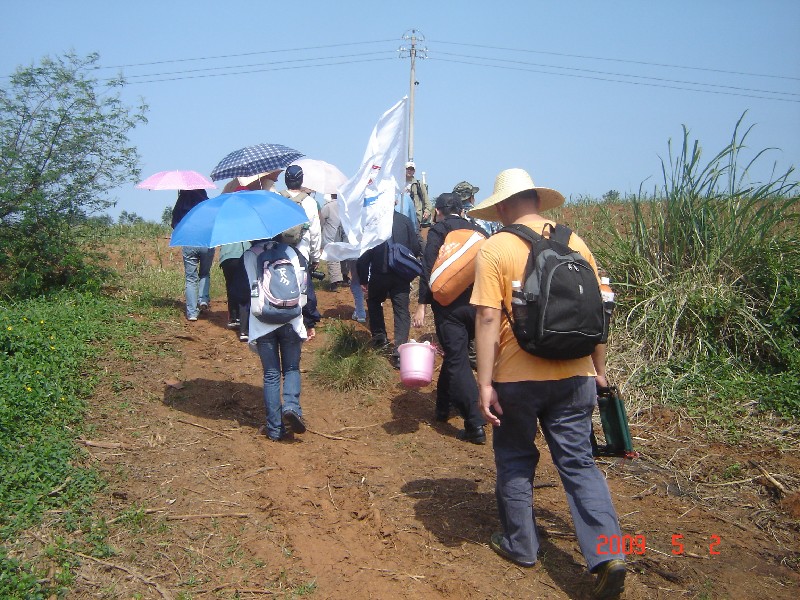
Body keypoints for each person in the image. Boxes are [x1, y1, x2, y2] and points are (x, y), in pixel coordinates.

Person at [469, 168, 626, 599]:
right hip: (575, 375)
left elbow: (485, 318)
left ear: (502, 207)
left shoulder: (495, 247)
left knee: (517, 458)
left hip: (517, 379)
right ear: (537, 200)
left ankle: (522, 545)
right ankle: (609, 553)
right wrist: (599, 371)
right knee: (579, 464)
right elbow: (598, 315)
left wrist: (485, 383)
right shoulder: (575, 242)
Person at [412, 193, 487, 444]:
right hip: (478, 302)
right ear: (461, 209)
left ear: (438, 211)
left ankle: (475, 423)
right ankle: (443, 407)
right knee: (457, 354)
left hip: (449, 306)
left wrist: (422, 305)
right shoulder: (478, 230)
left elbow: (429, 268)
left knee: (457, 358)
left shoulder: (439, 230)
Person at [244, 237, 319, 441]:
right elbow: (306, 287)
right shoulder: (292, 252)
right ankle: (292, 407)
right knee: (292, 369)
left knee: (271, 374)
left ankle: (275, 429)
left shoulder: (250, 255)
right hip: (291, 319)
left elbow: (244, 292)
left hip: (262, 323)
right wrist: (310, 321)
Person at [357, 209, 421, 366]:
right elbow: (415, 246)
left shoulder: (373, 221)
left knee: (374, 302)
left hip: (379, 273)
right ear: (395, 201)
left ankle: (380, 338)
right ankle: (399, 351)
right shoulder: (404, 220)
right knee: (401, 311)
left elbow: (364, 254)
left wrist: (363, 278)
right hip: (401, 273)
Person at [171, 189, 215, 321]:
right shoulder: (207, 204)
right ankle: (203, 299)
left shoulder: (181, 203)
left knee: (191, 278)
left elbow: (174, 224)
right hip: (206, 242)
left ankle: (192, 313)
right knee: (204, 273)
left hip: (189, 241)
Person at [218, 241, 251, 341]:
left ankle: (233, 317)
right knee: (244, 288)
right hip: (242, 255)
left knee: (230, 285)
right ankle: (244, 323)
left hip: (226, 257)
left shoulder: (224, 225)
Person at [319, 193, 348, 289]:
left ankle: (335, 281)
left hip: (331, 234)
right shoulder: (346, 206)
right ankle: (345, 277)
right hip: (344, 235)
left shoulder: (328, 207)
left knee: (332, 257)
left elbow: (321, 221)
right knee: (344, 256)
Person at [405, 161, 432, 229]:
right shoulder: (398, 184)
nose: (409, 171)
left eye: (411, 169)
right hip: (401, 216)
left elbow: (427, 202)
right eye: (408, 169)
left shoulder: (419, 185)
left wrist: (427, 211)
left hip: (415, 218)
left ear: (414, 171)